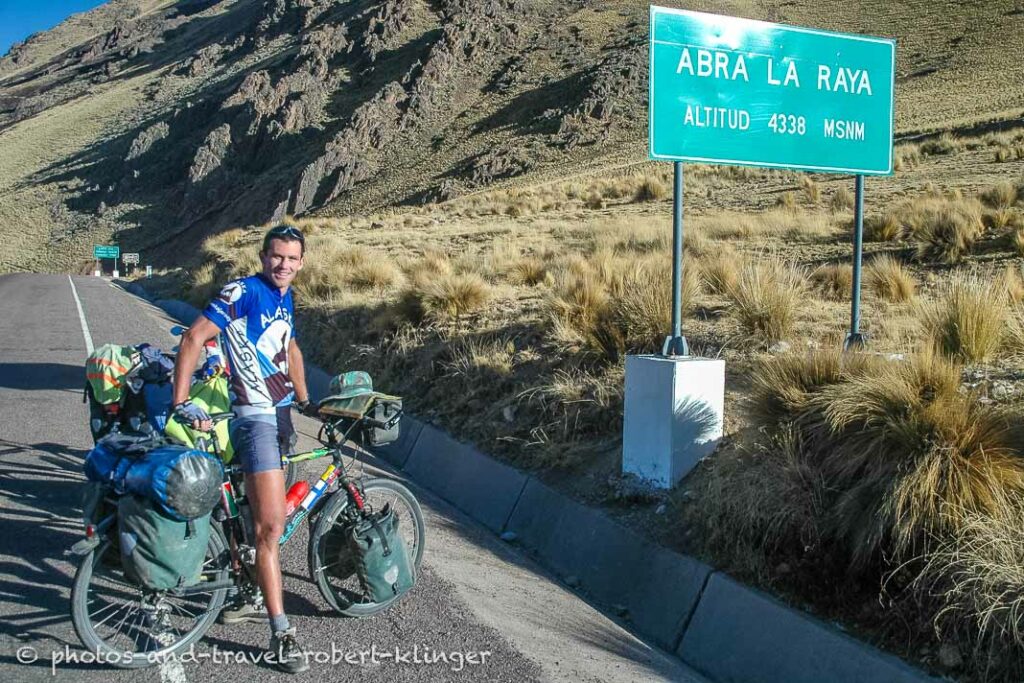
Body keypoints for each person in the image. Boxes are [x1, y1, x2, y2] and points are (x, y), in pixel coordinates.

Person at [171, 224, 314, 674]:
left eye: (292, 259)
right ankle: (282, 633)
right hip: (256, 420)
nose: (284, 265)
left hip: (283, 413)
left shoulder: (285, 295)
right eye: (277, 256)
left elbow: (289, 346)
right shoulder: (244, 291)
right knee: (270, 528)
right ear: (262, 255)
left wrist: (307, 398)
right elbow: (193, 338)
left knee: (256, 518)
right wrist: (180, 402)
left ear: (302, 262)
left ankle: (244, 586)